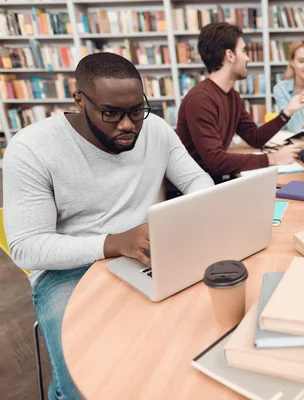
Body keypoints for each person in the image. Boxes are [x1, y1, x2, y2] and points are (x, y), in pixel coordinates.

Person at [3, 53, 214, 399]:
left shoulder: (156, 130)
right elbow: (26, 247)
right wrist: (114, 243)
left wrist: (178, 224)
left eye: (135, 111)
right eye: (111, 113)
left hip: (147, 250)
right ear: (79, 100)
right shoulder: (31, 148)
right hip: (67, 271)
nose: (128, 125)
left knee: (196, 338)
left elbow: (198, 182)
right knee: (82, 380)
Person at [177, 23, 304, 183]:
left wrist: (288, 111)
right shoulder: (200, 100)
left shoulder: (232, 97)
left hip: (213, 181)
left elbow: (255, 138)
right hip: (192, 189)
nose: (248, 58)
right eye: (244, 50)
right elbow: (216, 161)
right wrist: (273, 158)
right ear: (230, 55)